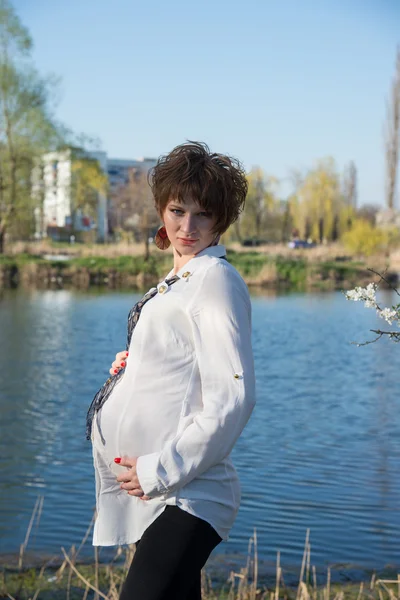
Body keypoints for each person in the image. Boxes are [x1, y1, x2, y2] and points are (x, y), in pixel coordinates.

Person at [88, 141, 256, 600]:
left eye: (202, 214)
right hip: (160, 496)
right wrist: (136, 367)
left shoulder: (216, 281)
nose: (187, 226)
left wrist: (159, 471)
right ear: (162, 208)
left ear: (221, 219)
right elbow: (184, 365)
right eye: (177, 209)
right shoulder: (181, 279)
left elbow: (233, 398)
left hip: (187, 493)